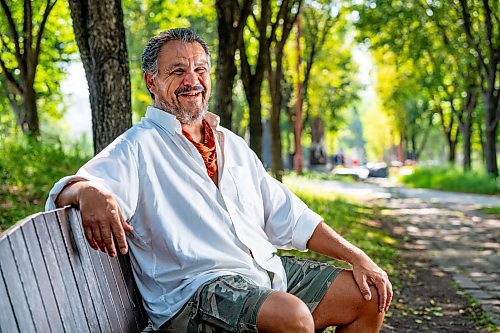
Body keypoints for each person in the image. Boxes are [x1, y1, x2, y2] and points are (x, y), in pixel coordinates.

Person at [46, 28, 392, 333]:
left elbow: (291, 216)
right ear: (152, 82)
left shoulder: (230, 143)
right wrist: (88, 191)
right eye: (177, 71)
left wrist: (356, 255)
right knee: (292, 317)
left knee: (370, 296)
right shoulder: (138, 146)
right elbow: (75, 187)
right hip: (192, 296)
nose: (191, 80)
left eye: (200, 69)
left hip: (261, 273)